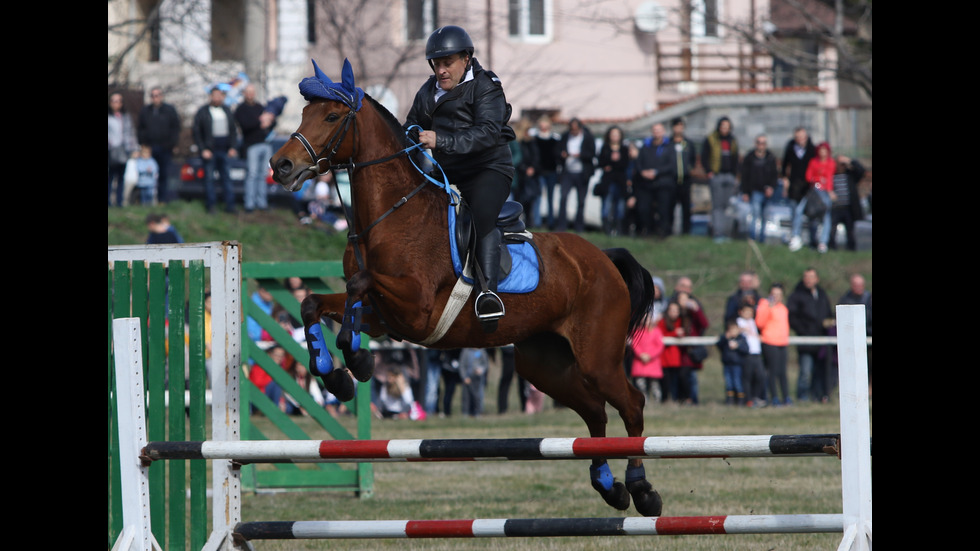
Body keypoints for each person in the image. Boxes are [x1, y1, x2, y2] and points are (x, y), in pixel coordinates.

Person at [404, 25, 515, 328]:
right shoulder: (428, 91)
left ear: (466, 59)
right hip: (447, 172)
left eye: (447, 62)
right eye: (436, 64)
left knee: (480, 212)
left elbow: (488, 133)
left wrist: (440, 141)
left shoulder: (486, 86)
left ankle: (488, 293)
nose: (440, 70)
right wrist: (410, 135)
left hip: (488, 169)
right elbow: (411, 125)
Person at [787, 268, 834, 402]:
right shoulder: (797, 295)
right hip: (806, 340)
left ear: (817, 279)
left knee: (819, 371)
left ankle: (817, 396)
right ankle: (802, 397)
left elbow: (827, 312)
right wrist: (804, 331)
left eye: (811, 277)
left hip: (822, 340)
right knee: (805, 371)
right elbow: (792, 317)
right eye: (806, 277)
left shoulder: (822, 294)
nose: (808, 279)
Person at [192, 85, 239, 213]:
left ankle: (230, 205)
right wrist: (203, 149)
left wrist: (233, 147)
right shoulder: (203, 112)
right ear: (211, 96)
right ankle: (211, 205)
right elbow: (196, 132)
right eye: (215, 95)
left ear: (222, 97)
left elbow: (233, 131)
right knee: (209, 179)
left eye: (220, 95)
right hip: (209, 151)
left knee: (226, 178)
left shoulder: (227, 111)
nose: (217, 98)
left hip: (224, 150)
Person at [235, 84, 278, 213]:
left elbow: (272, 123)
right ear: (244, 93)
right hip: (251, 145)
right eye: (248, 92)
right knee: (252, 174)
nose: (250, 94)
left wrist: (270, 120)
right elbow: (245, 125)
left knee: (263, 174)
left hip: (265, 144)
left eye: (252, 92)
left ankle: (262, 202)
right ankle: (249, 203)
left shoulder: (260, 107)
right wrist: (260, 121)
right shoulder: (240, 109)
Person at [137, 87, 181, 203]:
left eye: (157, 95)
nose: (155, 98)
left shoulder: (169, 110)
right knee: (148, 174)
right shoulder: (145, 111)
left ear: (161, 96)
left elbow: (175, 128)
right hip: (149, 148)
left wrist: (172, 144)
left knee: (164, 174)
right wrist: (143, 144)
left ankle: (163, 199)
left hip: (165, 148)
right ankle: (147, 200)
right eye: (153, 95)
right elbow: (140, 129)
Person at [789, 142, 836, 253]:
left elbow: (829, 178)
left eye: (824, 150)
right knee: (799, 210)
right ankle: (796, 236)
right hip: (813, 191)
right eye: (821, 150)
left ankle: (823, 242)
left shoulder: (831, 163)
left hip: (825, 192)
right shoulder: (813, 162)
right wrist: (819, 180)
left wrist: (826, 188)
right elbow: (809, 176)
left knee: (826, 216)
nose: (822, 152)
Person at [701, 116, 740, 241]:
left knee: (727, 206)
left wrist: (735, 175)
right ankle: (718, 233)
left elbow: (736, 158)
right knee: (717, 206)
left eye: (727, 127)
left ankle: (727, 233)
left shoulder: (732, 141)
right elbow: (704, 157)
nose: (725, 129)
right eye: (723, 126)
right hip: (716, 175)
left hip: (729, 176)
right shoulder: (711, 139)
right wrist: (709, 172)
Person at [634, 122, 677, 237]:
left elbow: (671, 165)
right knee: (645, 209)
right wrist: (643, 172)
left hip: (663, 183)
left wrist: (656, 172)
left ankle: (663, 232)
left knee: (663, 210)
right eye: (654, 130)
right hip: (646, 184)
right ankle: (647, 231)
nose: (656, 132)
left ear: (663, 131)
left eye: (659, 130)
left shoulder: (669, 146)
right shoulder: (645, 146)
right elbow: (638, 163)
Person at [555, 118, 596, 232]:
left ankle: (579, 227)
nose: (573, 132)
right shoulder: (565, 136)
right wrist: (562, 154)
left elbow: (592, 154)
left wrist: (580, 155)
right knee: (563, 198)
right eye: (571, 130)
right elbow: (557, 151)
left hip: (582, 173)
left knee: (581, 201)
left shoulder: (588, 137)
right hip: (567, 172)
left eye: (575, 129)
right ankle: (561, 226)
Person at [739, 134, 779, 242]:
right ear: (755, 144)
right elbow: (744, 176)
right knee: (755, 214)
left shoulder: (770, 158)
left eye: (763, 143)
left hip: (767, 192)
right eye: (759, 143)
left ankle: (762, 238)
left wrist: (771, 187)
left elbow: (774, 175)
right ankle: (752, 237)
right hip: (755, 191)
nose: (761, 145)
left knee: (765, 216)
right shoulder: (750, 157)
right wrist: (745, 192)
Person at [756, 283, 791, 406]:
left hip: (782, 342)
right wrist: (768, 308)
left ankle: (786, 397)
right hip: (770, 342)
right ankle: (774, 397)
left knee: (782, 372)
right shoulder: (764, 305)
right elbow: (760, 323)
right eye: (774, 294)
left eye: (779, 294)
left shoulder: (783, 308)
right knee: (773, 371)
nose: (776, 297)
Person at [838, 273, 872, 395]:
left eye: (861, 285)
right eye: (856, 285)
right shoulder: (845, 299)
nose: (859, 287)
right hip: (852, 339)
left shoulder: (869, 298)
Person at [781, 127, 817, 240]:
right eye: (798, 137)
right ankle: (796, 236)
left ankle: (813, 239)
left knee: (811, 213)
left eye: (802, 137)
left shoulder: (812, 150)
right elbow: (784, 166)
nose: (800, 140)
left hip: (808, 187)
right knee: (795, 212)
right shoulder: (790, 149)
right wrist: (785, 179)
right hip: (794, 186)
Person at [596, 125, 632, 236]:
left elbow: (624, 164)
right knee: (606, 203)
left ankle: (618, 229)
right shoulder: (605, 148)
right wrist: (611, 160)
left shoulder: (624, 149)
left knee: (620, 205)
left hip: (620, 182)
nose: (615, 137)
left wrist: (613, 163)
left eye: (617, 134)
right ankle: (607, 228)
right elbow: (601, 163)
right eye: (613, 134)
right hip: (608, 181)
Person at [528, 116, 562, 228]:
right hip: (539, 172)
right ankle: (537, 222)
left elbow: (558, 155)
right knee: (538, 197)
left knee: (551, 198)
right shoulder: (535, 139)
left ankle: (551, 222)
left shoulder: (555, 139)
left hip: (551, 171)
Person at [829, 155, 867, 251]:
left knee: (850, 230)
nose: (841, 166)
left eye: (843, 164)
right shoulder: (832, 175)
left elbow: (862, 171)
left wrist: (849, 160)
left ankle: (851, 248)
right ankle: (832, 247)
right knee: (832, 229)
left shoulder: (850, 175)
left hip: (848, 208)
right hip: (835, 207)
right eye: (839, 164)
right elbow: (820, 184)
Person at [108, 92, 139, 207]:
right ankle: (109, 203)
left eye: (118, 101)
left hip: (124, 150)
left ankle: (120, 202)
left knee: (121, 177)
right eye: (113, 101)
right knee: (110, 177)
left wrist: (134, 148)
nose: (116, 104)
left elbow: (131, 133)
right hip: (111, 150)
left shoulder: (126, 117)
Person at [670, 117, 698, 235]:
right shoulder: (668, 143)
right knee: (670, 206)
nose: (679, 128)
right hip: (671, 179)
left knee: (686, 207)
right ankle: (670, 230)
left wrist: (690, 169)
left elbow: (693, 159)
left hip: (685, 179)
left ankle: (686, 231)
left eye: (681, 126)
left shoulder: (688, 143)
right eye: (677, 126)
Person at [630, 313, 665, 406]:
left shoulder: (657, 331)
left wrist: (650, 355)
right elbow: (635, 344)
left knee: (655, 384)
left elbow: (660, 346)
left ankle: (657, 401)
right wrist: (641, 355)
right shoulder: (637, 331)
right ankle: (644, 401)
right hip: (640, 362)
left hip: (653, 362)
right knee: (640, 384)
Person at [736, 302, 765, 407]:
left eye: (750, 312)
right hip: (747, 354)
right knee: (747, 377)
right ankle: (748, 400)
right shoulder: (739, 322)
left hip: (757, 353)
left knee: (760, 376)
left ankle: (756, 397)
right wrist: (742, 329)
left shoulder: (753, 322)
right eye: (746, 311)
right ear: (741, 312)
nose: (748, 314)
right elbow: (733, 330)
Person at [512, 118, 541, 224]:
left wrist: (532, 168)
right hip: (520, 175)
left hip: (530, 176)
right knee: (519, 200)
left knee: (530, 199)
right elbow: (518, 158)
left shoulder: (531, 142)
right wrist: (523, 168)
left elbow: (536, 157)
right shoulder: (517, 142)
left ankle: (530, 220)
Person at [716, 319, 749, 405]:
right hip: (727, 364)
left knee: (737, 382)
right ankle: (730, 400)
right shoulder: (726, 339)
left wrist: (737, 346)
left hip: (737, 364)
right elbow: (719, 345)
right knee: (729, 383)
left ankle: (740, 400)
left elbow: (746, 350)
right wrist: (724, 338)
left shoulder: (741, 339)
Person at [458, 348, 490, 417]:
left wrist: (481, 370)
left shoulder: (482, 351)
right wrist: (464, 377)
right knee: (466, 397)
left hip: (478, 378)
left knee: (477, 396)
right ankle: (465, 413)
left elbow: (486, 364)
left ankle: (478, 413)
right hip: (467, 378)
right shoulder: (465, 351)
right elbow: (462, 365)